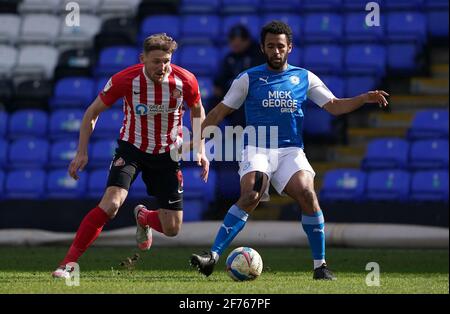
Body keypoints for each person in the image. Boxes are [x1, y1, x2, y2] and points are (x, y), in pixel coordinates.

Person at [190, 21, 389, 280]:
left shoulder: (304, 77)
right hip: (258, 147)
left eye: (281, 46)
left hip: (290, 151)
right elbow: (218, 112)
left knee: (308, 194)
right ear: (262, 48)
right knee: (251, 195)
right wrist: (198, 144)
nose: (276, 51)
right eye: (270, 46)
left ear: (290, 47)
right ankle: (212, 257)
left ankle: (320, 266)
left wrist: (363, 98)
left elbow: (335, 106)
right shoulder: (247, 79)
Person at [52, 33, 209, 278]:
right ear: (142, 59)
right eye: (156, 61)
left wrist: (200, 148)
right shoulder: (125, 79)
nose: (162, 67)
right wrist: (81, 152)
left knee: (172, 229)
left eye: (166, 60)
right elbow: (92, 112)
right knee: (111, 204)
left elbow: (197, 111)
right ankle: (67, 264)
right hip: (132, 148)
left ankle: (144, 217)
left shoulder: (185, 81)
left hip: (167, 154)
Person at [213, 25, 266, 127]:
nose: (236, 43)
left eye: (241, 40)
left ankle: (238, 138)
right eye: (232, 40)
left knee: (242, 105)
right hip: (232, 96)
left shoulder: (259, 55)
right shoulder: (230, 58)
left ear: (247, 40)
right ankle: (206, 137)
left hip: (252, 97)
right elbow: (219, 82)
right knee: (213, 101)